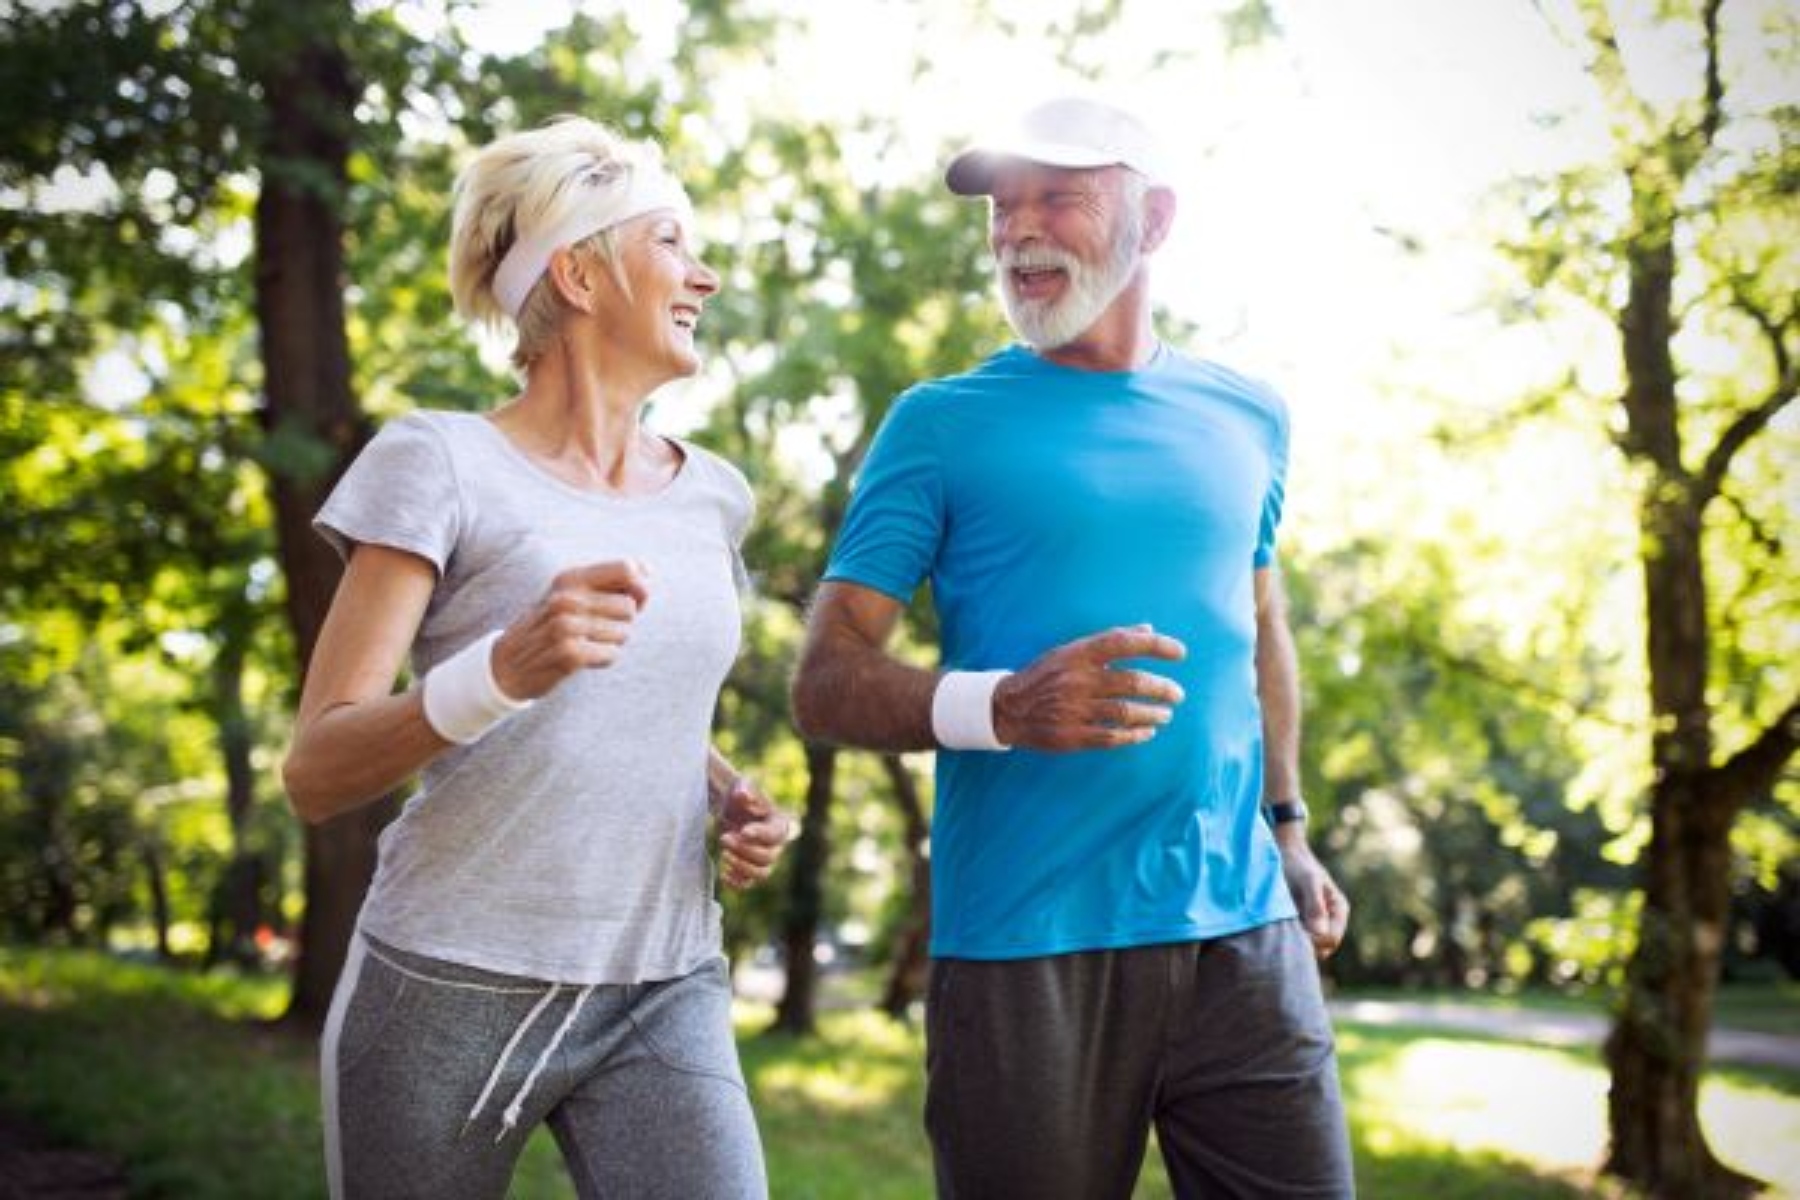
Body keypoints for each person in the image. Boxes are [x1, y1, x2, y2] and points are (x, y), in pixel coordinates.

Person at [791, 96, 1355, 1198]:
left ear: (1154, 221)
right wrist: (996, 707)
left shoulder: (1250, 416)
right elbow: (824, 682)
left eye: (1058, 196)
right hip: (1025, 944)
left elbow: (1261, 628)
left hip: (1242, 926)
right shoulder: (939, 423)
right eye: (1003, 206)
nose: (1017, 228)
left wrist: (1288, 826)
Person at [281, 115, 793, 1200]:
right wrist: (497, 673)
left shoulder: (715, 493)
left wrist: (725, 794)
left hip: (667, 978)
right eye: (671, 243)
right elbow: (316, 770)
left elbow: (639, 708)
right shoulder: (439, 461)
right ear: (581, 271)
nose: (704, 274)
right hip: (448, 979)